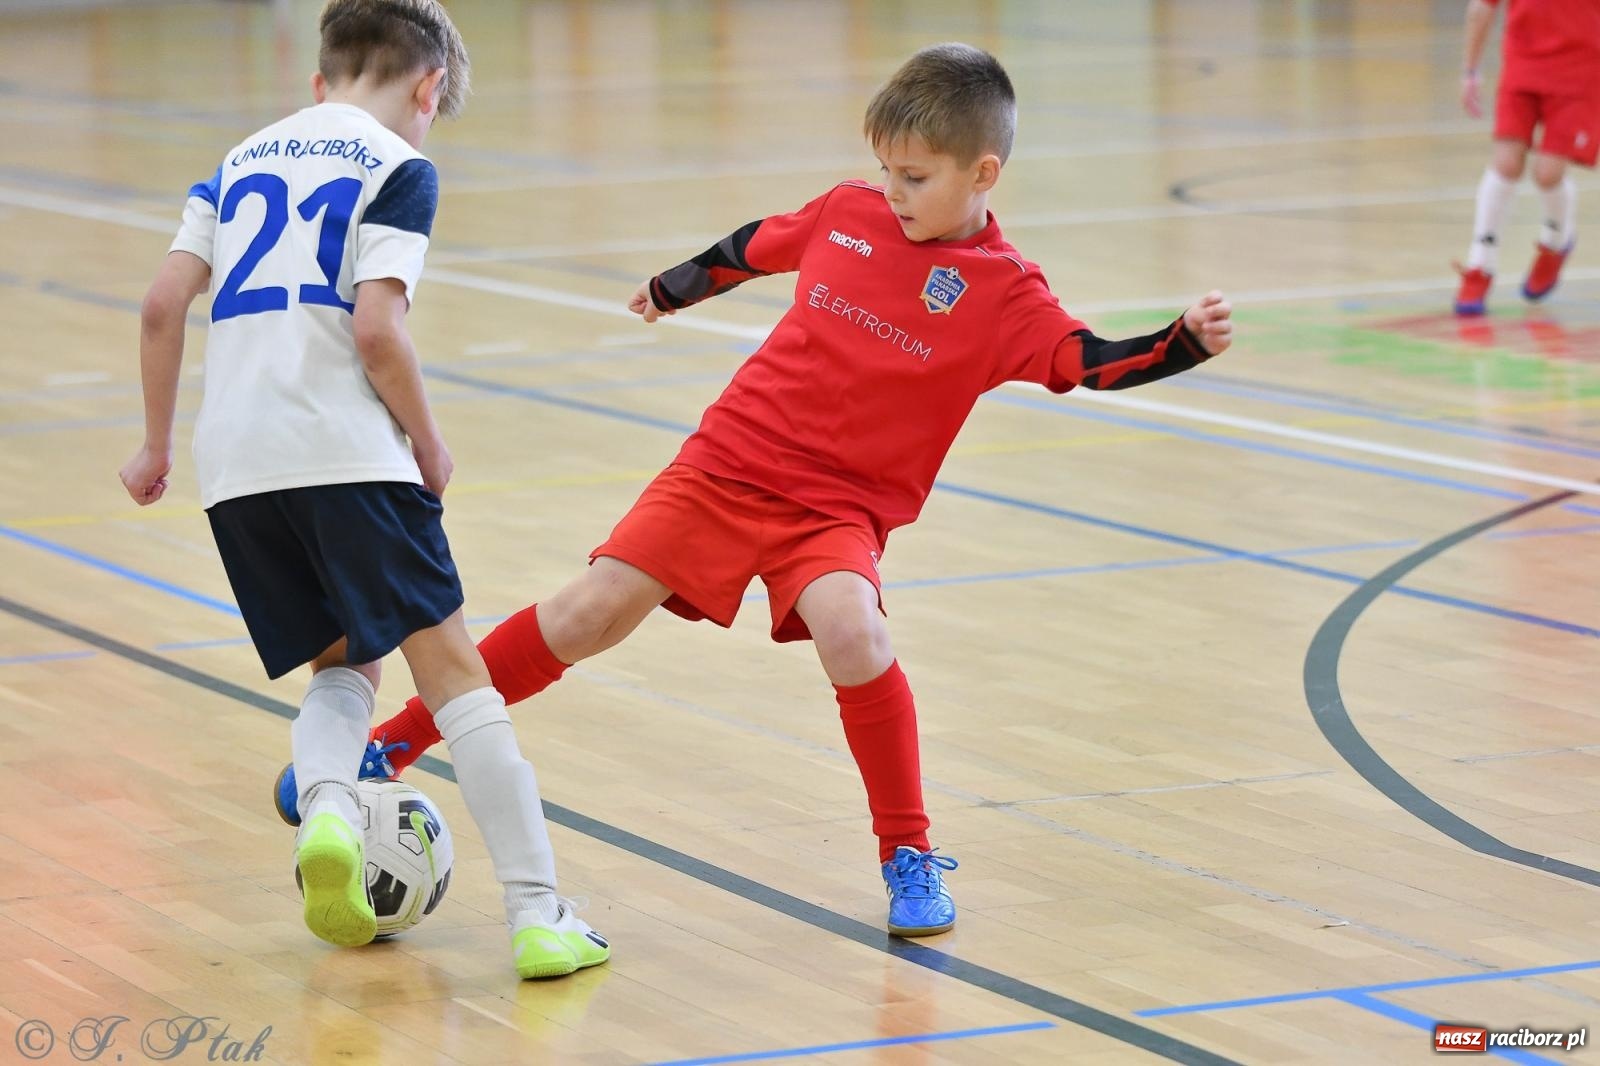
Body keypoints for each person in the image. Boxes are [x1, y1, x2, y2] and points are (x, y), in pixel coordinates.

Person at [275, 41, 1235, 937]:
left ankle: (909, 853)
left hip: (836, 509)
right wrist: (675, 284)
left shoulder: (1004, 293)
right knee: (587, 613)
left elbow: (1088, 360)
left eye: (917, 177)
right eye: (888, 170)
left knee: (855, 630)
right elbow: (755, 245)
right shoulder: (851, 213)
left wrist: (1180, 342)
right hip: (729, 462)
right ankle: (389, 745)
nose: (893, 192)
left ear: (984, 173)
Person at [118, 0, 607, 979]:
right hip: (347, 449)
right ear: (427, 90)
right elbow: (379, 328)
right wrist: (426, 442)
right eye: (435, 109)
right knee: (455, 672)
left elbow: (162, 302)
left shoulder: (238, 162)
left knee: (342, 668)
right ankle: (538, 912)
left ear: (320, 79)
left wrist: (154, 443)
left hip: (239, 467)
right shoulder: (397, 167)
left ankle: (332, 811)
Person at [1453, 0, 1600, 315]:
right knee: (1506, 161)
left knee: (1547, 173)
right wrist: (1470, 71)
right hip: (1523, 67)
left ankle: (1556, 241)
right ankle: (1480, 264)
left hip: (1580, 73)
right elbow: (1481, 7)